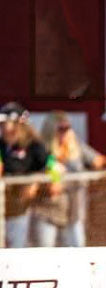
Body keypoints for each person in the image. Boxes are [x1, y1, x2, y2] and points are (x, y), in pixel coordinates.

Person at [39, 111, 106, 247]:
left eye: (68, 128)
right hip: (49, 211)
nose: (65, 132)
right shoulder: (42, 150)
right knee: (46, 253)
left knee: (78, 249)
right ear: (51, 129)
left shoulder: (76, 147)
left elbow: (99, 160)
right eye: (61, 129)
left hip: (74, 212)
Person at [0, 102, 48, 248]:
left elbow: (51, 165)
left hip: (26, 207)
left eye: (6, 124)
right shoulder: (2, 146)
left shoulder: (34, 145)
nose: (4, 128)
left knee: (19, 246)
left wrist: (35, 182)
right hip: (4, 203)